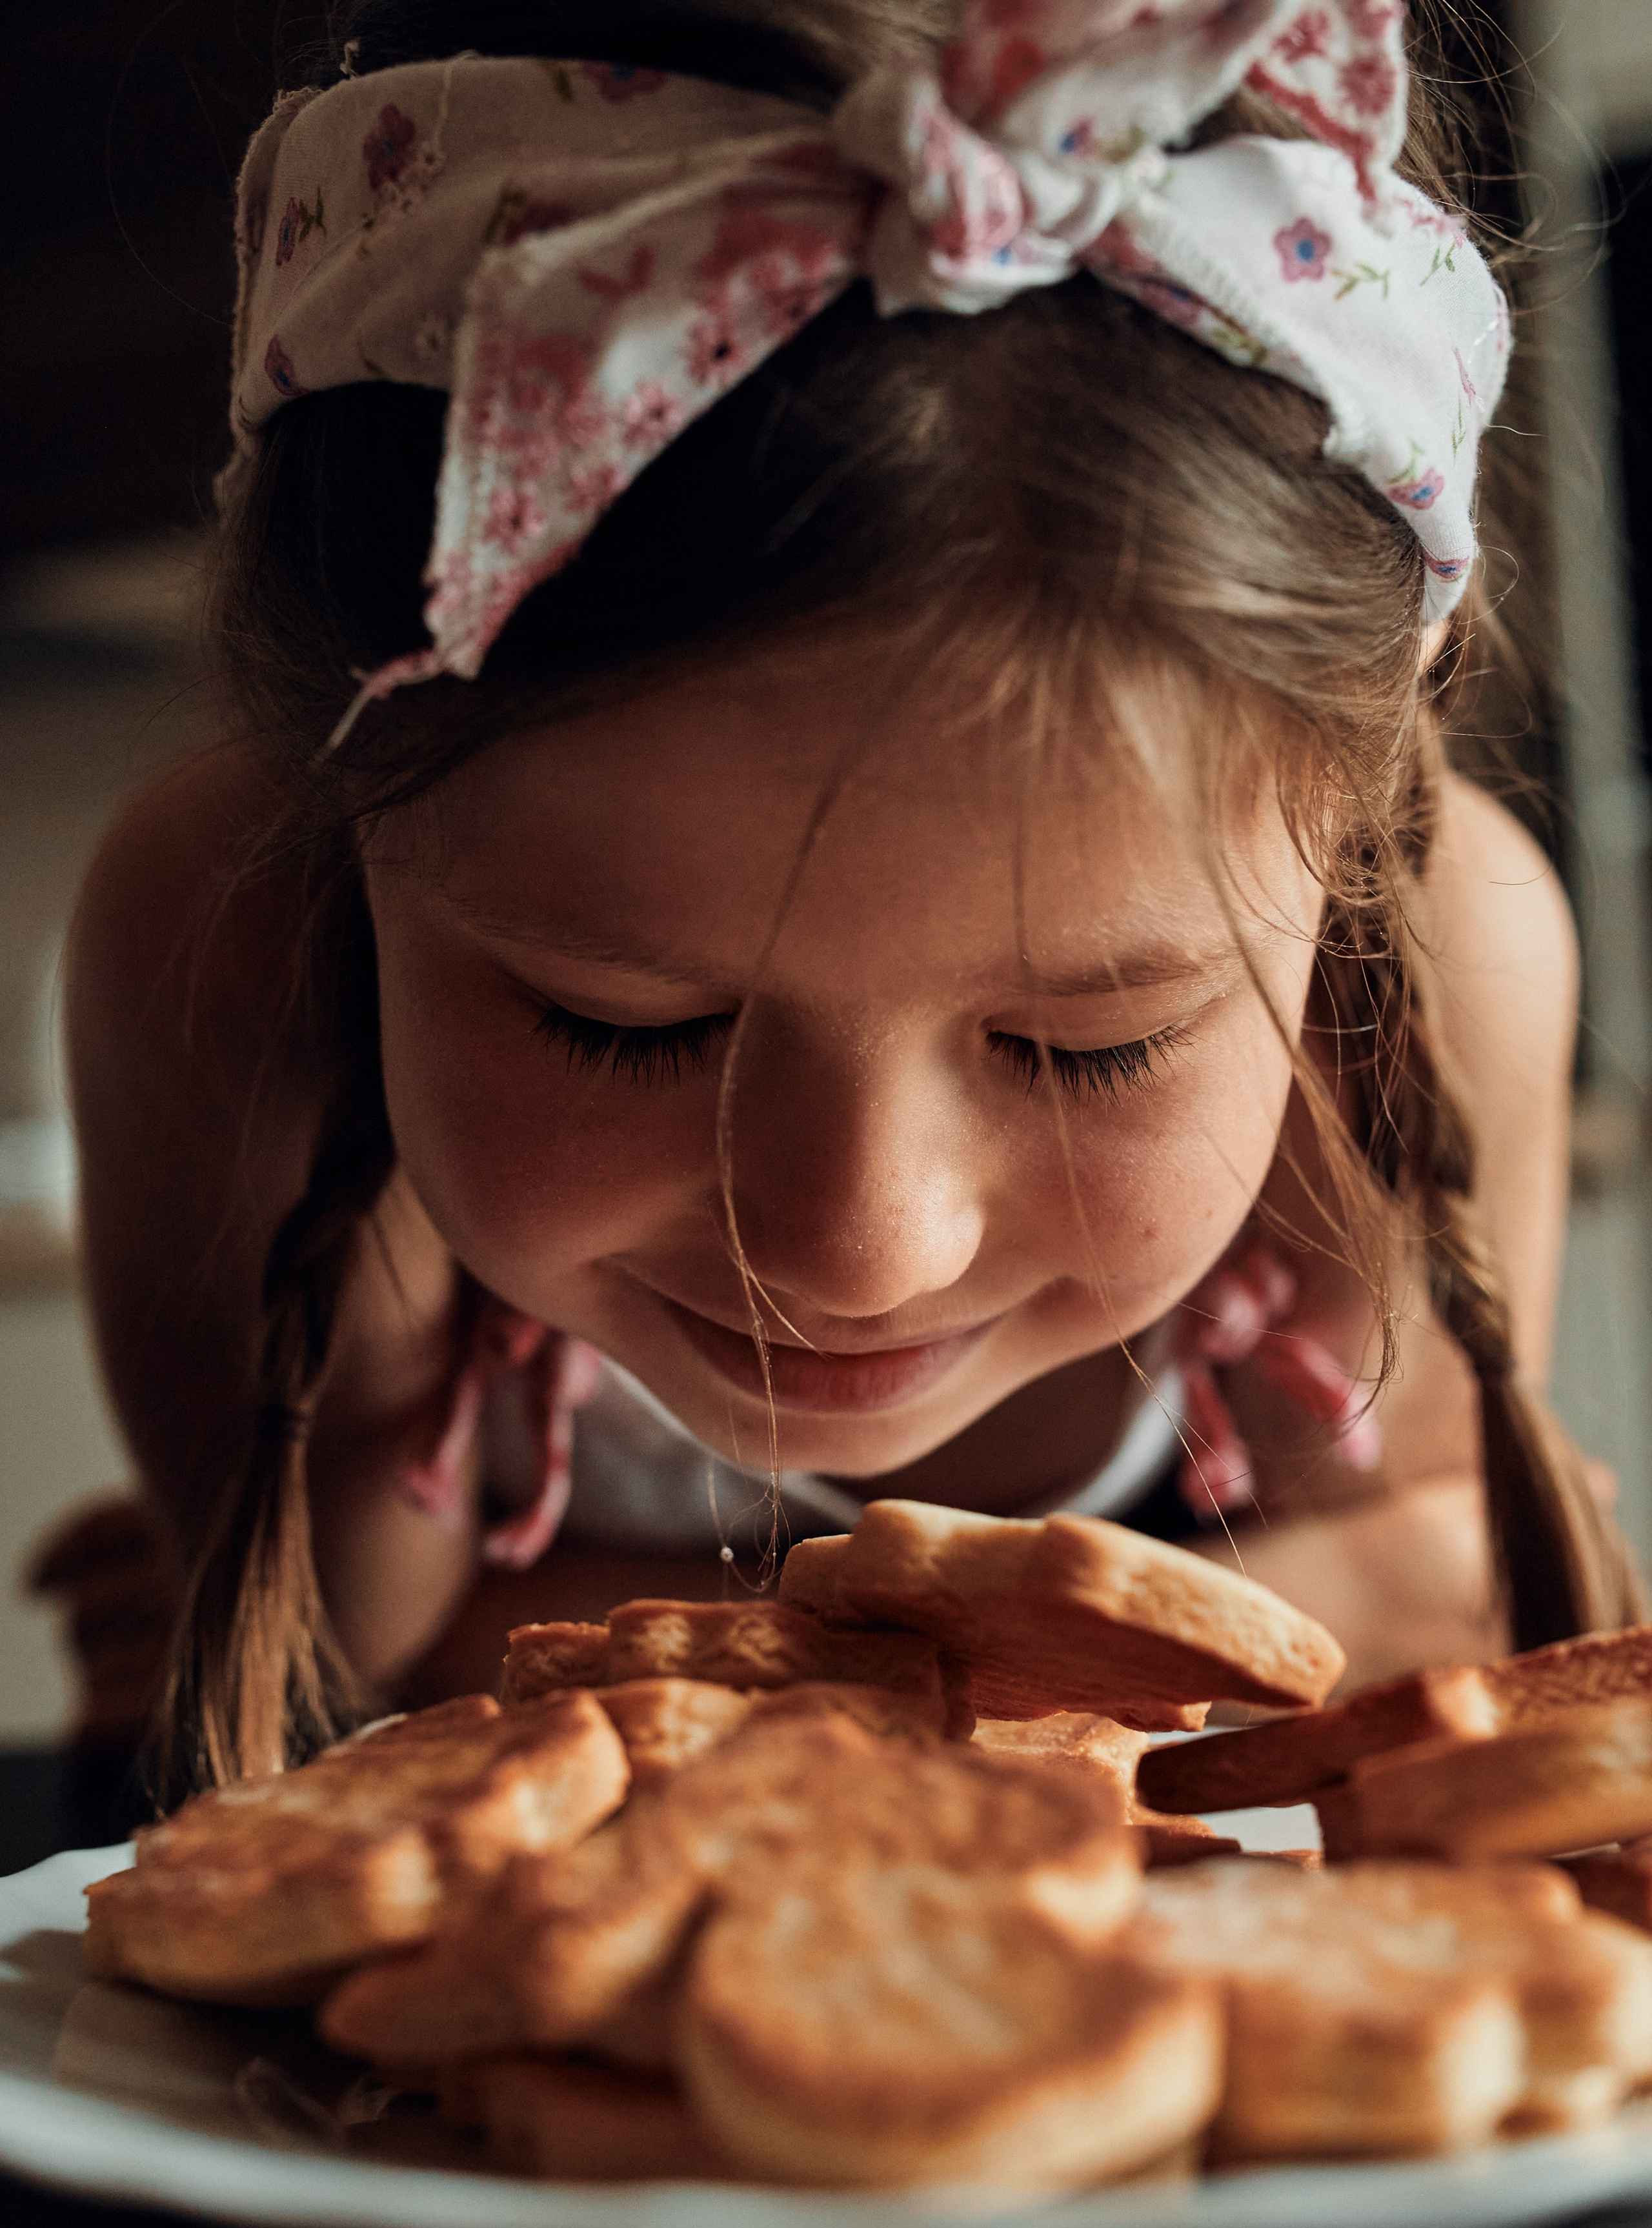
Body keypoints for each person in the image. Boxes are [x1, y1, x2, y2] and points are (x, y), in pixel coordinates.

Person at [56, 0, 1642, 1800]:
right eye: (621, 1024)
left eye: (1089, 1045)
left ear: (1342, 869)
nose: (855, 1248)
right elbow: (335, 1656)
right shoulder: (225, 937)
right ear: (345, 832)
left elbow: (1439, 1586)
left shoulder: (1435, 958)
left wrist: (531, 1639)